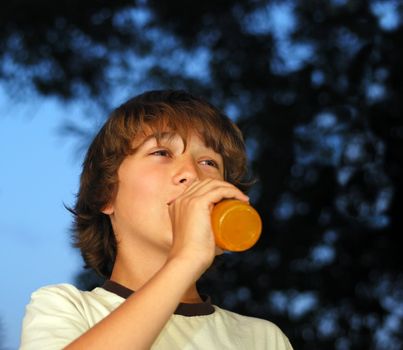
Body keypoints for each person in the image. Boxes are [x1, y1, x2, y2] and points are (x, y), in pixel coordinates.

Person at [20, 90, 293, 349]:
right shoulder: (65, 308)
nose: (192, 174)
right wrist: (185, 260)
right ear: (106, 194)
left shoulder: (262, 338)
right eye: (162, 153)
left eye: (209, 162)